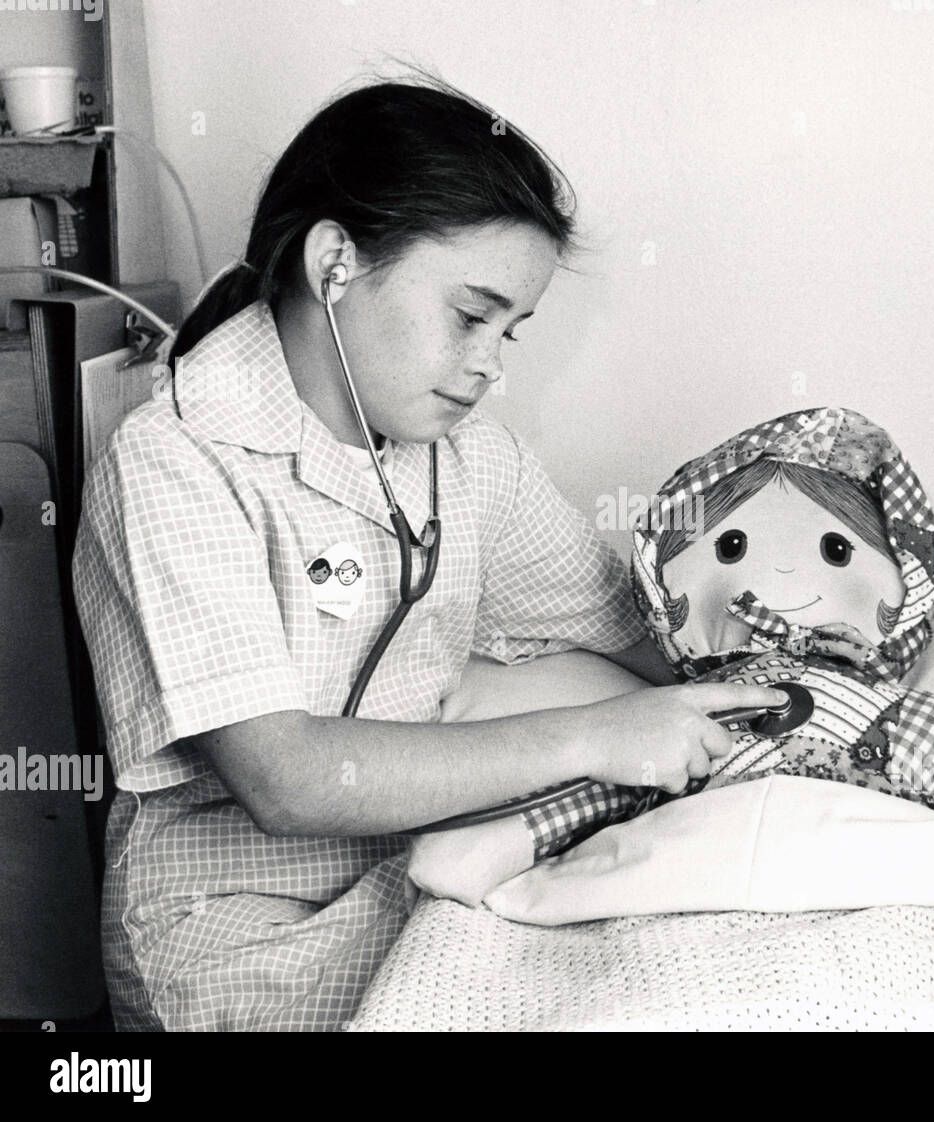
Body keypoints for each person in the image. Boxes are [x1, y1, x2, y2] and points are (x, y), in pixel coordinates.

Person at [71, 77, 776, 1031]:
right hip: (245, 933)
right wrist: (596, 738)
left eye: (510, 331)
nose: (492, 363)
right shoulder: (174, 460)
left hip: (416, 880)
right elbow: (288, 779)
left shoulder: (471, 460)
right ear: (336, 264)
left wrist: (796, 688)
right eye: (470, 315)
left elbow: (638, 632)